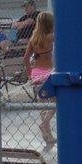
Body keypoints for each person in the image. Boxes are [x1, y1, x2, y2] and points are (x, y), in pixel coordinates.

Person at [24, 12, 56, 151]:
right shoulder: (51, 37)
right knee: (56, 101)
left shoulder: (33, 38)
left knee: (42, 104)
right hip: (48, 73)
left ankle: (47, 135)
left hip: (36, 73)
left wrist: (30, 74)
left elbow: (25, 58)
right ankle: (45, 123)